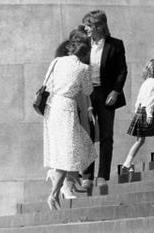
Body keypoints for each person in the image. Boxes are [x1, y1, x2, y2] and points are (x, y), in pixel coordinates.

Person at [43, 38, 97, 210]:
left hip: (51, 107)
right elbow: (88, 90)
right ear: (85, 53)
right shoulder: (84, 68)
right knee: (68, 153)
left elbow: (47, 83)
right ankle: (54, 194)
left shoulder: (57, 61)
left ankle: (55, 190)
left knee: (66, 152)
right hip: (66, 108)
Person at [81, 10, 128, 188]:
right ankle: (86, 176)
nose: (86, 28)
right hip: (87, 94)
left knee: (106, 135)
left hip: (107, 94)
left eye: (89, 25)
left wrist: (116, 91)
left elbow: (122, 70)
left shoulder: (115, 44)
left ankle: (102, 175)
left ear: (99, 26)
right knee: (88, 135)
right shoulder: (84, 44)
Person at [53, 26, 94, 199]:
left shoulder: (62, 56)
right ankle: (66, 184)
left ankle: (69, 180)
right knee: (73, 144)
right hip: (72, 103)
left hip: (66, 103)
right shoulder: (75, 60)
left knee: (75, 143)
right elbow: (87, 88)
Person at [121, 59, 154, 173]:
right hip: (147, 111)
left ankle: (126, 164)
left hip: (140, 111)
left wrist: (136, 111)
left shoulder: (146, 81)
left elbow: (139, 99)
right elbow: (150, 99)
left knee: (140, 140)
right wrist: (149, 115)